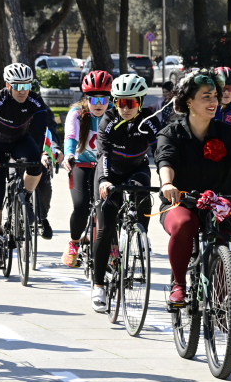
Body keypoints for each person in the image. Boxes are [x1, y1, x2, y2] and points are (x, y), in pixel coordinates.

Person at [157, 68, 231, 304]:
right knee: (185, 223)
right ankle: (179, 285)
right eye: (205, 96)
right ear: (188, 101)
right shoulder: (171, 133)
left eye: (214, 96)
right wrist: (167, 184)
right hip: (181, 202)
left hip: (221, 203)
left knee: (225, 240)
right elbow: (165, 159)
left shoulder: (228, 133)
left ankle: (222, 304)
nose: (213, 101)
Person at [92, 73, 160, 312]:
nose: (125, 108)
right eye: (120, 102)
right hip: (110, 172)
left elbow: (161, 151)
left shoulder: (150, 119)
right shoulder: (108, 120)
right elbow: (103, 154)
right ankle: (98, 286)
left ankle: (142, 234)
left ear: (140, 102)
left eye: (130, 102)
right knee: (105, 227)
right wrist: (104, 180)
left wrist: (169, 179)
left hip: (136, 169)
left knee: (143, 190)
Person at [0, 63, 47, 269]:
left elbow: (45, 127)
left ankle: (25, 195)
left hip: (20, 140)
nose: (22, 90)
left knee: (36, 163)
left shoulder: (35, 99)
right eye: (17, 85)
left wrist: (47, 150)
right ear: (8, 85)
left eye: (26, 85)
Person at [60, 71, 112, 267]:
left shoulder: (115, 113)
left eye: (103, 99)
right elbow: (70, 137)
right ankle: (74, 243)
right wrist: (69, 155)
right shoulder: (77, 113)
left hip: (105, 167)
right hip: (81, 164)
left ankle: (112, 246)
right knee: (81, 206)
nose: (98, 104)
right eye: (93, 99)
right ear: (86, 98)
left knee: (110, 207)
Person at [28, 78, 63, 241]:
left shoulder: (45, 110)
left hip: (40, 153)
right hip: (16, 152)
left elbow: (52, 132)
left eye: (35, 95)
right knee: (10, 177)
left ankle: (42, 218)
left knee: (44, 185)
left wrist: (55, 149)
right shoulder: (10, 108)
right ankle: (11, 217)